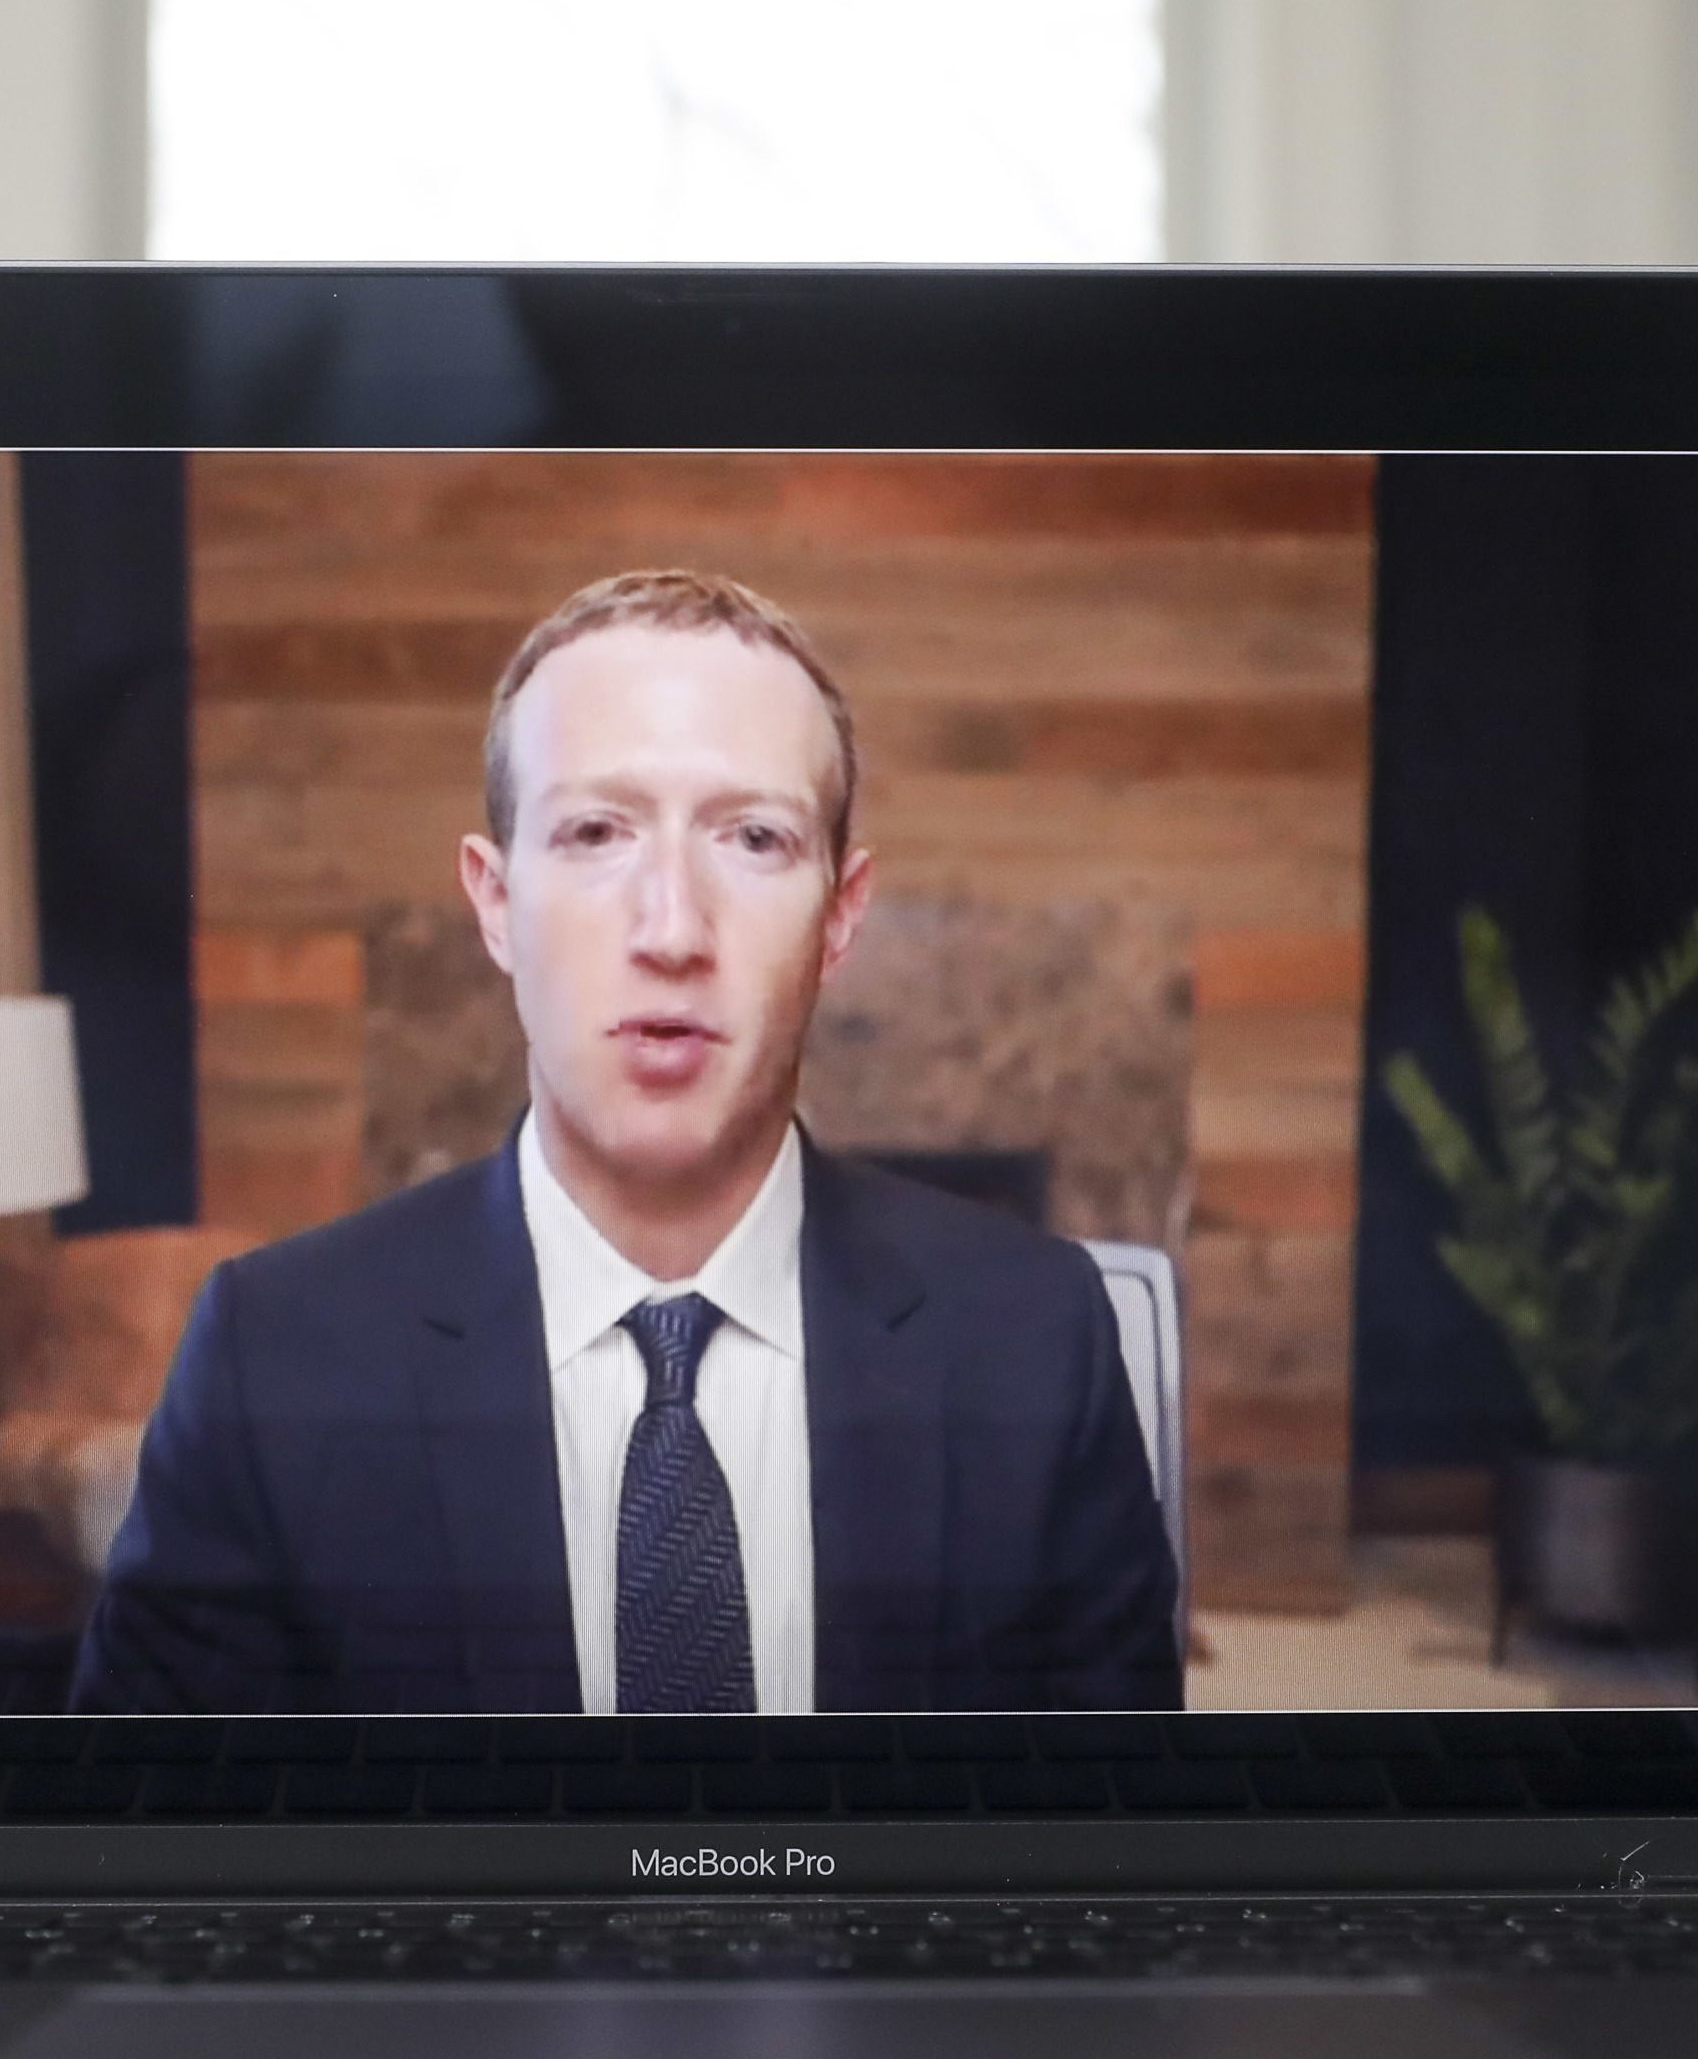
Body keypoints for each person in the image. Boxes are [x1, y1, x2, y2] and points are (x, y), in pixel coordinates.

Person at [72, 570, 1180, 1717]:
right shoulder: (272, 1360)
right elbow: (161, 1853)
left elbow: (1111, 1848)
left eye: (753, 838)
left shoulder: (1037, 1337)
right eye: (596, 832)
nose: (671, 928)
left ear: (840, 916)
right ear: (495, 902)